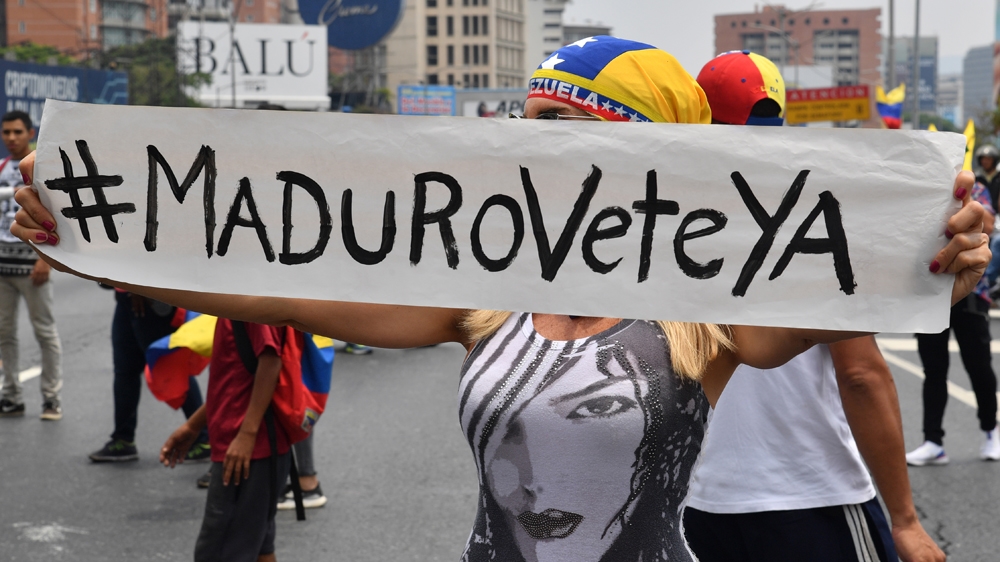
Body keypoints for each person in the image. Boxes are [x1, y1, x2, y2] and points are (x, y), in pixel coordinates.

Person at [12, 36, 990, 560]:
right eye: (524, 119)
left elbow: (867, 303)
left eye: (556, 122)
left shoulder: (709, 318)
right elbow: (285, 290)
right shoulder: (488, 301)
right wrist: (110, 246)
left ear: (641, 148)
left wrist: (943, 252)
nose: (525, 141)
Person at [683, 50, 942, 562]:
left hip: (691, 496)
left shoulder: (658, 217)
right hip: (806, 490)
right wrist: (906, 522)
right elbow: (861, 374)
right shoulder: (813, 217)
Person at [160, 318, 294, 562]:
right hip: (251, 446)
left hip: (249, 450)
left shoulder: (249, 299)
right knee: (258, 546)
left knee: (221, 550)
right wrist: (193, 425)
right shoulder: (235, 299)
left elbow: (271, 361)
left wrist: (247, 434)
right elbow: (233, 378)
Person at [906, 179, 1000, 466]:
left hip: (971, 293)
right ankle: (933, 441)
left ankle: (991, 430)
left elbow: (989, 222)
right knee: (933, 370)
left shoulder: (977, 188)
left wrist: (963, 205)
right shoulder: (920, 187)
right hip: (931, 293)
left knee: (979, 367)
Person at [88, 289, 211, 463]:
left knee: (168, 366)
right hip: (126, 295)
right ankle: (123, 439)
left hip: (149, 297)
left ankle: (203, 438)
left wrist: (143, 288)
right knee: (125, 370)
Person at [0, 110, 62, 420]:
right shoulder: (0, 168)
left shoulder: (39, 169)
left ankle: (51, 399)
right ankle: (10, 396)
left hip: (31, 264)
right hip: (2, 267)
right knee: (4, 334)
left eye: (17, 132)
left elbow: (53, 215)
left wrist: (44, 259)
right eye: (6, 132)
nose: (11, 138)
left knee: (44, 332)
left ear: (30, 133)